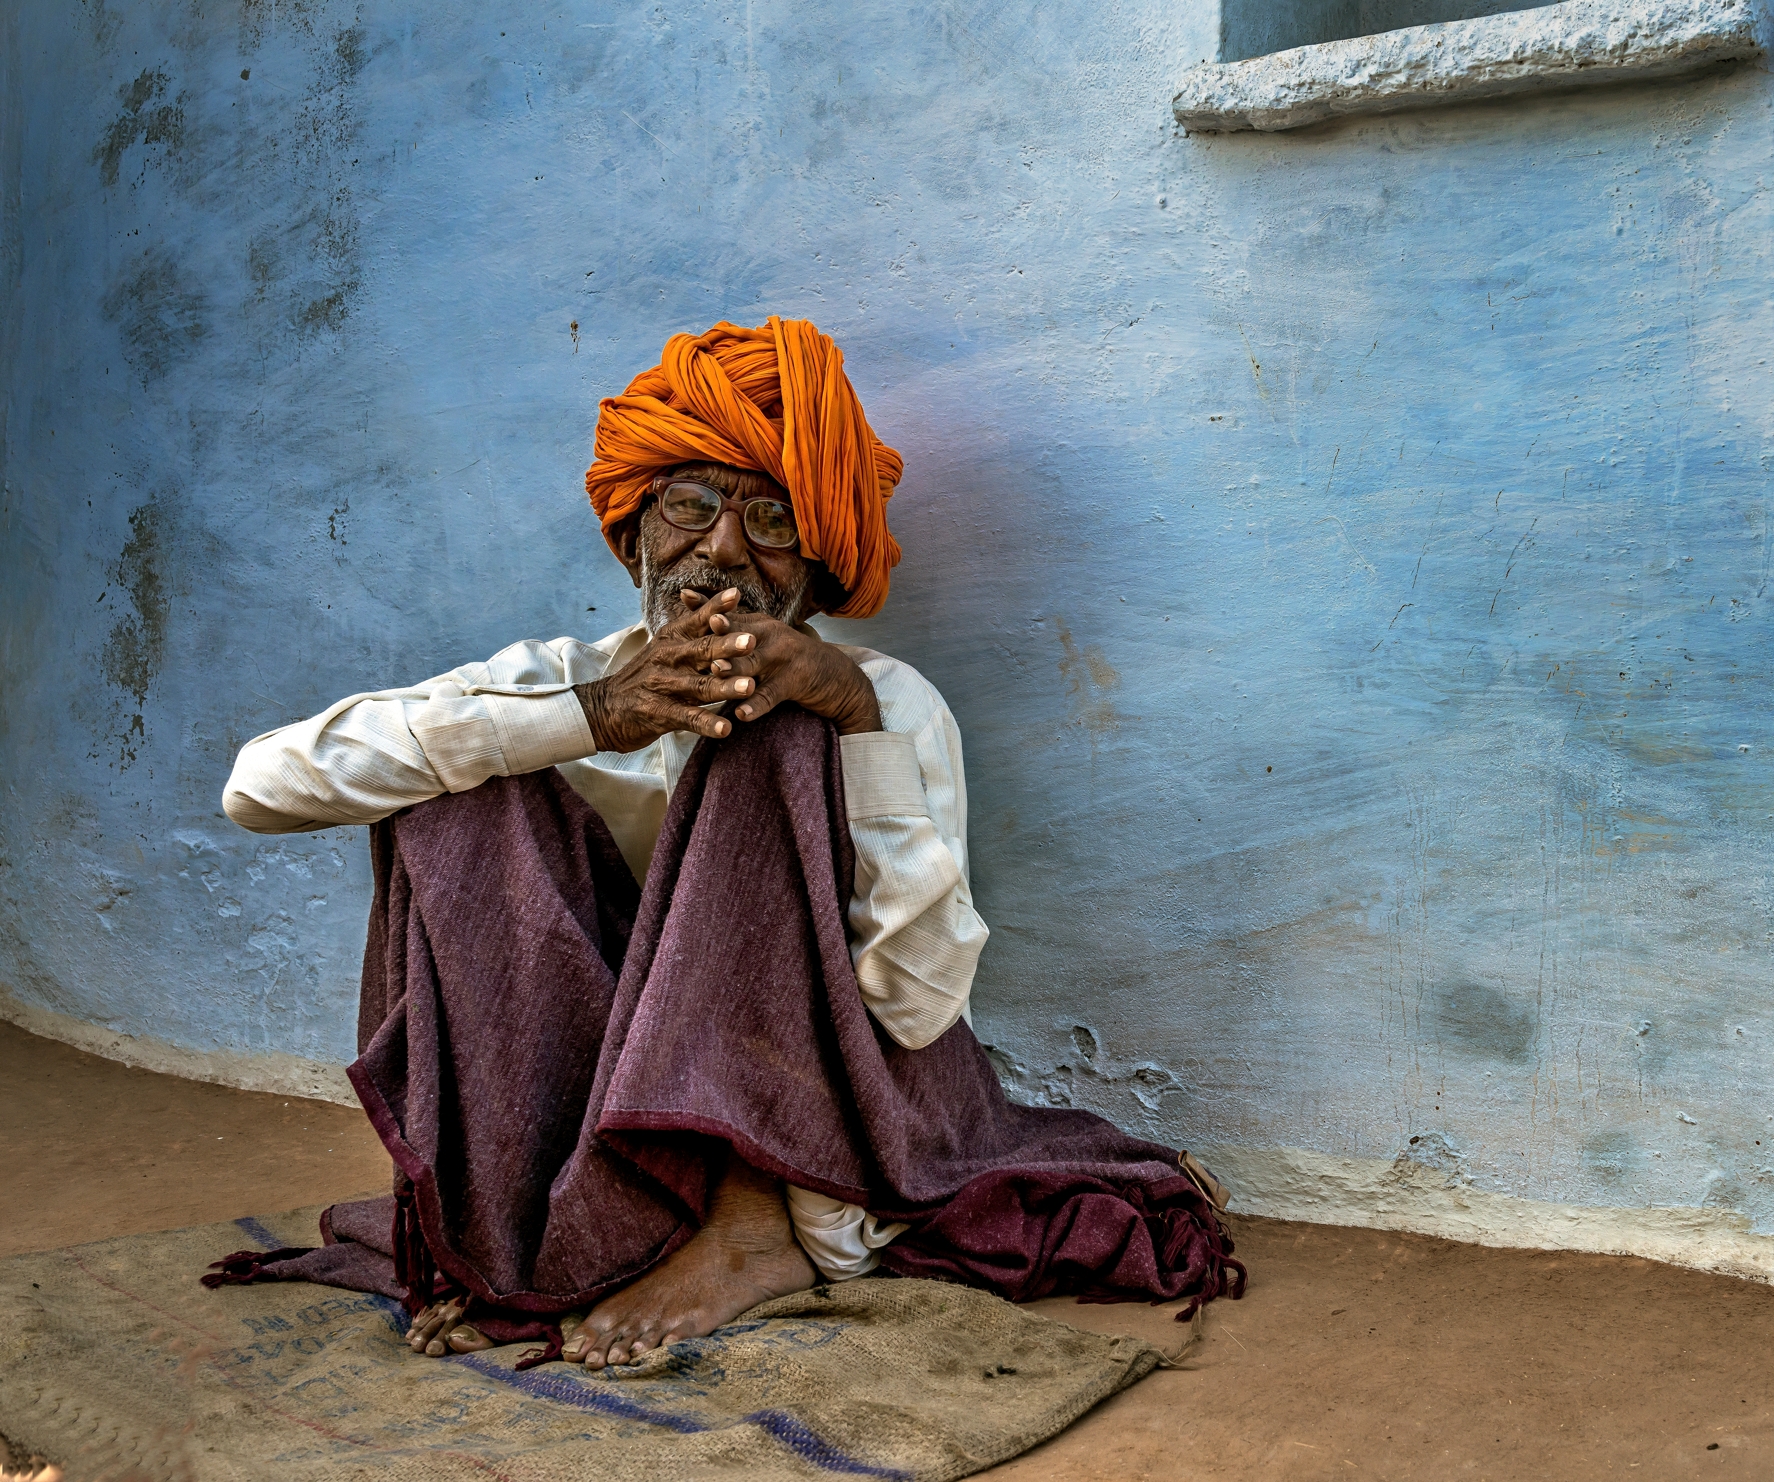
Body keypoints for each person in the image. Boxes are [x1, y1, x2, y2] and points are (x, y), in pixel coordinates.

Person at [208, 318, 1238, 1370]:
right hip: (602, 1123)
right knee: (457, 780)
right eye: (691, 509)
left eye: (770, 521)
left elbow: (917, 1008)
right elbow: (261, 786)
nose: (724, 552)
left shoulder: (885, 703)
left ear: (819, 564)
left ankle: (746, 1226)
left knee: (773, 722)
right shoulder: (563, 680)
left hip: (829, 1123)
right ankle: (526, 1241)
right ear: (636, 532)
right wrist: (595, 717)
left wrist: (852, 725)